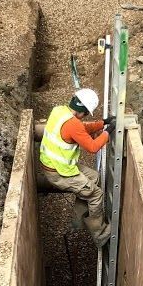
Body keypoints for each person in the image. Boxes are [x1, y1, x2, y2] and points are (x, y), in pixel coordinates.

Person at [39, 88, 115, 248]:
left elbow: (81, 128)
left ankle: (78, 218)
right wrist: (107, 133)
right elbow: (93, 147)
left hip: (55, 165)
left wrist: (103, 123)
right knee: (95, 195)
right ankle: (99, 234)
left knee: (94, 177)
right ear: (84, 112)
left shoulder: (59, 111)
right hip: (60, 173)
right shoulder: (74, 125)